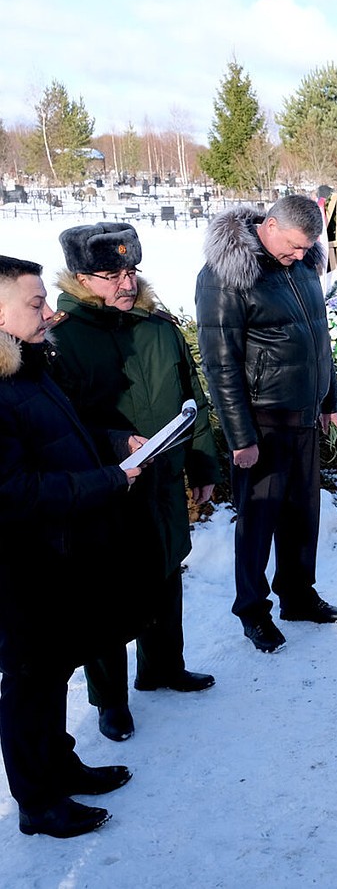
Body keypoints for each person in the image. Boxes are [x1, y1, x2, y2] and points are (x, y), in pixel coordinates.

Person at [50, 223, 219, 744]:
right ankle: (110, 700)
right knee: (111, 592)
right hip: (106, 488)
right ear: (80, 278)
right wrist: (115, 442)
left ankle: (163, 667)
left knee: (165, 572)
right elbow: (61, 425)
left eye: (130, 271)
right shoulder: (63, 339)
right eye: (109, 274)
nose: (125, 283)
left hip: (163, 482)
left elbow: (192, 401)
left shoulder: (157, 326)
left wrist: (203, 465)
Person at [0, 255, 138, 838]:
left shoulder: (26, 367)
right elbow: (12, 492)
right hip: (21, 565)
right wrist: (110, 481)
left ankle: (60, 766)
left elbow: (64, 432)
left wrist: (112, 443)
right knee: (29, 685)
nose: (51, 312)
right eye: (36, 303)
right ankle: (38, 803)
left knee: (52, 671)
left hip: (56, 554)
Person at [195, 195, 337, 654]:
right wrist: (241, 437)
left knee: (302, 516)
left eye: (307, 249)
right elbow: (220, 364)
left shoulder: (300, 267)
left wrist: (328, 398)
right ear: (272, 225)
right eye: (295, 247)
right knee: (258, 523)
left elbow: (320, 337)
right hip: (261, 422)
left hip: (303, 415)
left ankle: (297, 596)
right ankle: (253, 610)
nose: (302, 256)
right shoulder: (227, 274)